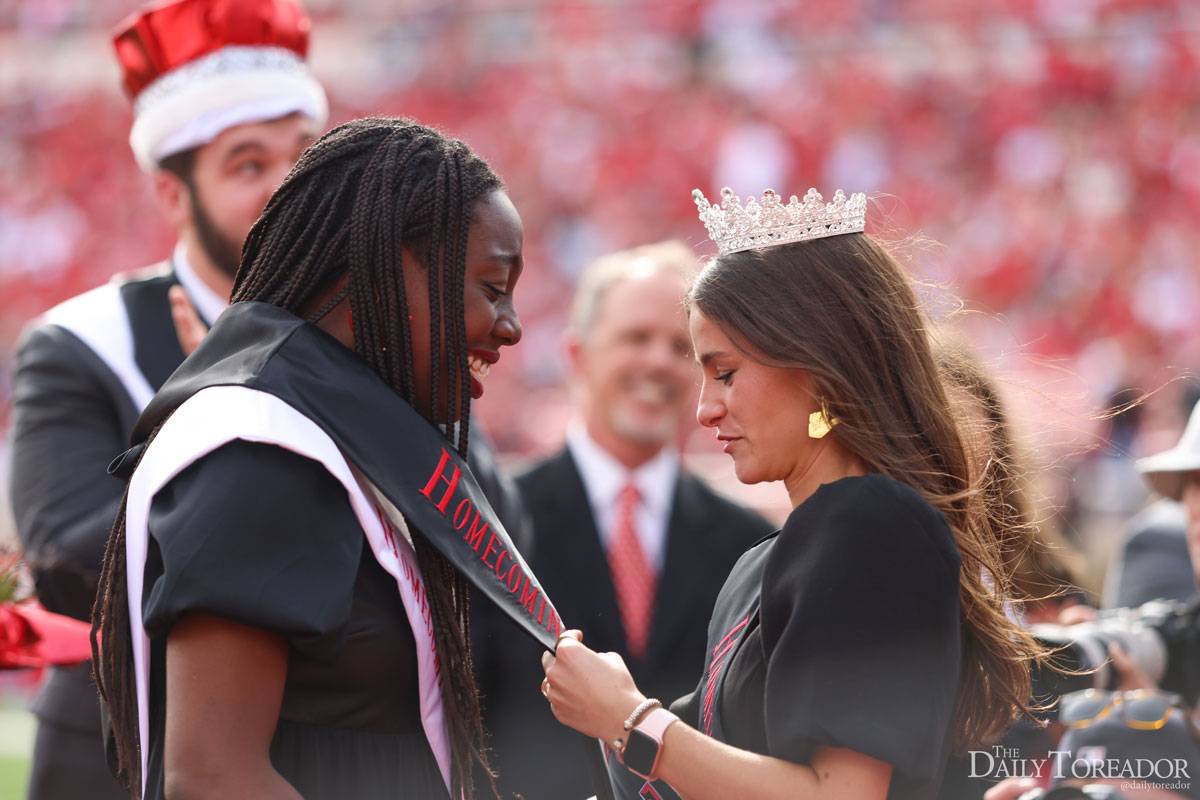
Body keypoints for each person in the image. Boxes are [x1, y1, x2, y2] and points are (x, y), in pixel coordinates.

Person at [541, 188, 1045, 800]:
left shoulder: (872, 525)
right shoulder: (769, 557)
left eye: (725, 373)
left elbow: (843, 794)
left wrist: (631, 720)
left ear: (817, 363)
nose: (704, 408)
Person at [90, 117, 528, 800]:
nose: (511, 326)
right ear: (381, 265)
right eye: (493, 286)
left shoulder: (337, 433)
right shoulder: (260, 448)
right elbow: (212, 779)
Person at [7, 2, 326, 797]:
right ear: (172, 195)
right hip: (119, 751)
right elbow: (68, 561)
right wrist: (226, 416)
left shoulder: (381, 326)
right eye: (249, 166)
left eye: (308, 159)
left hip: (334, 744)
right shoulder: (84, 338)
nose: (290, 191)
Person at [478, 240, 772, 799]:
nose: (659, 362)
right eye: (636, 338)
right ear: (576, 355)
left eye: (680, 348)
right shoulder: (495, 523)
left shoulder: (750, 542)